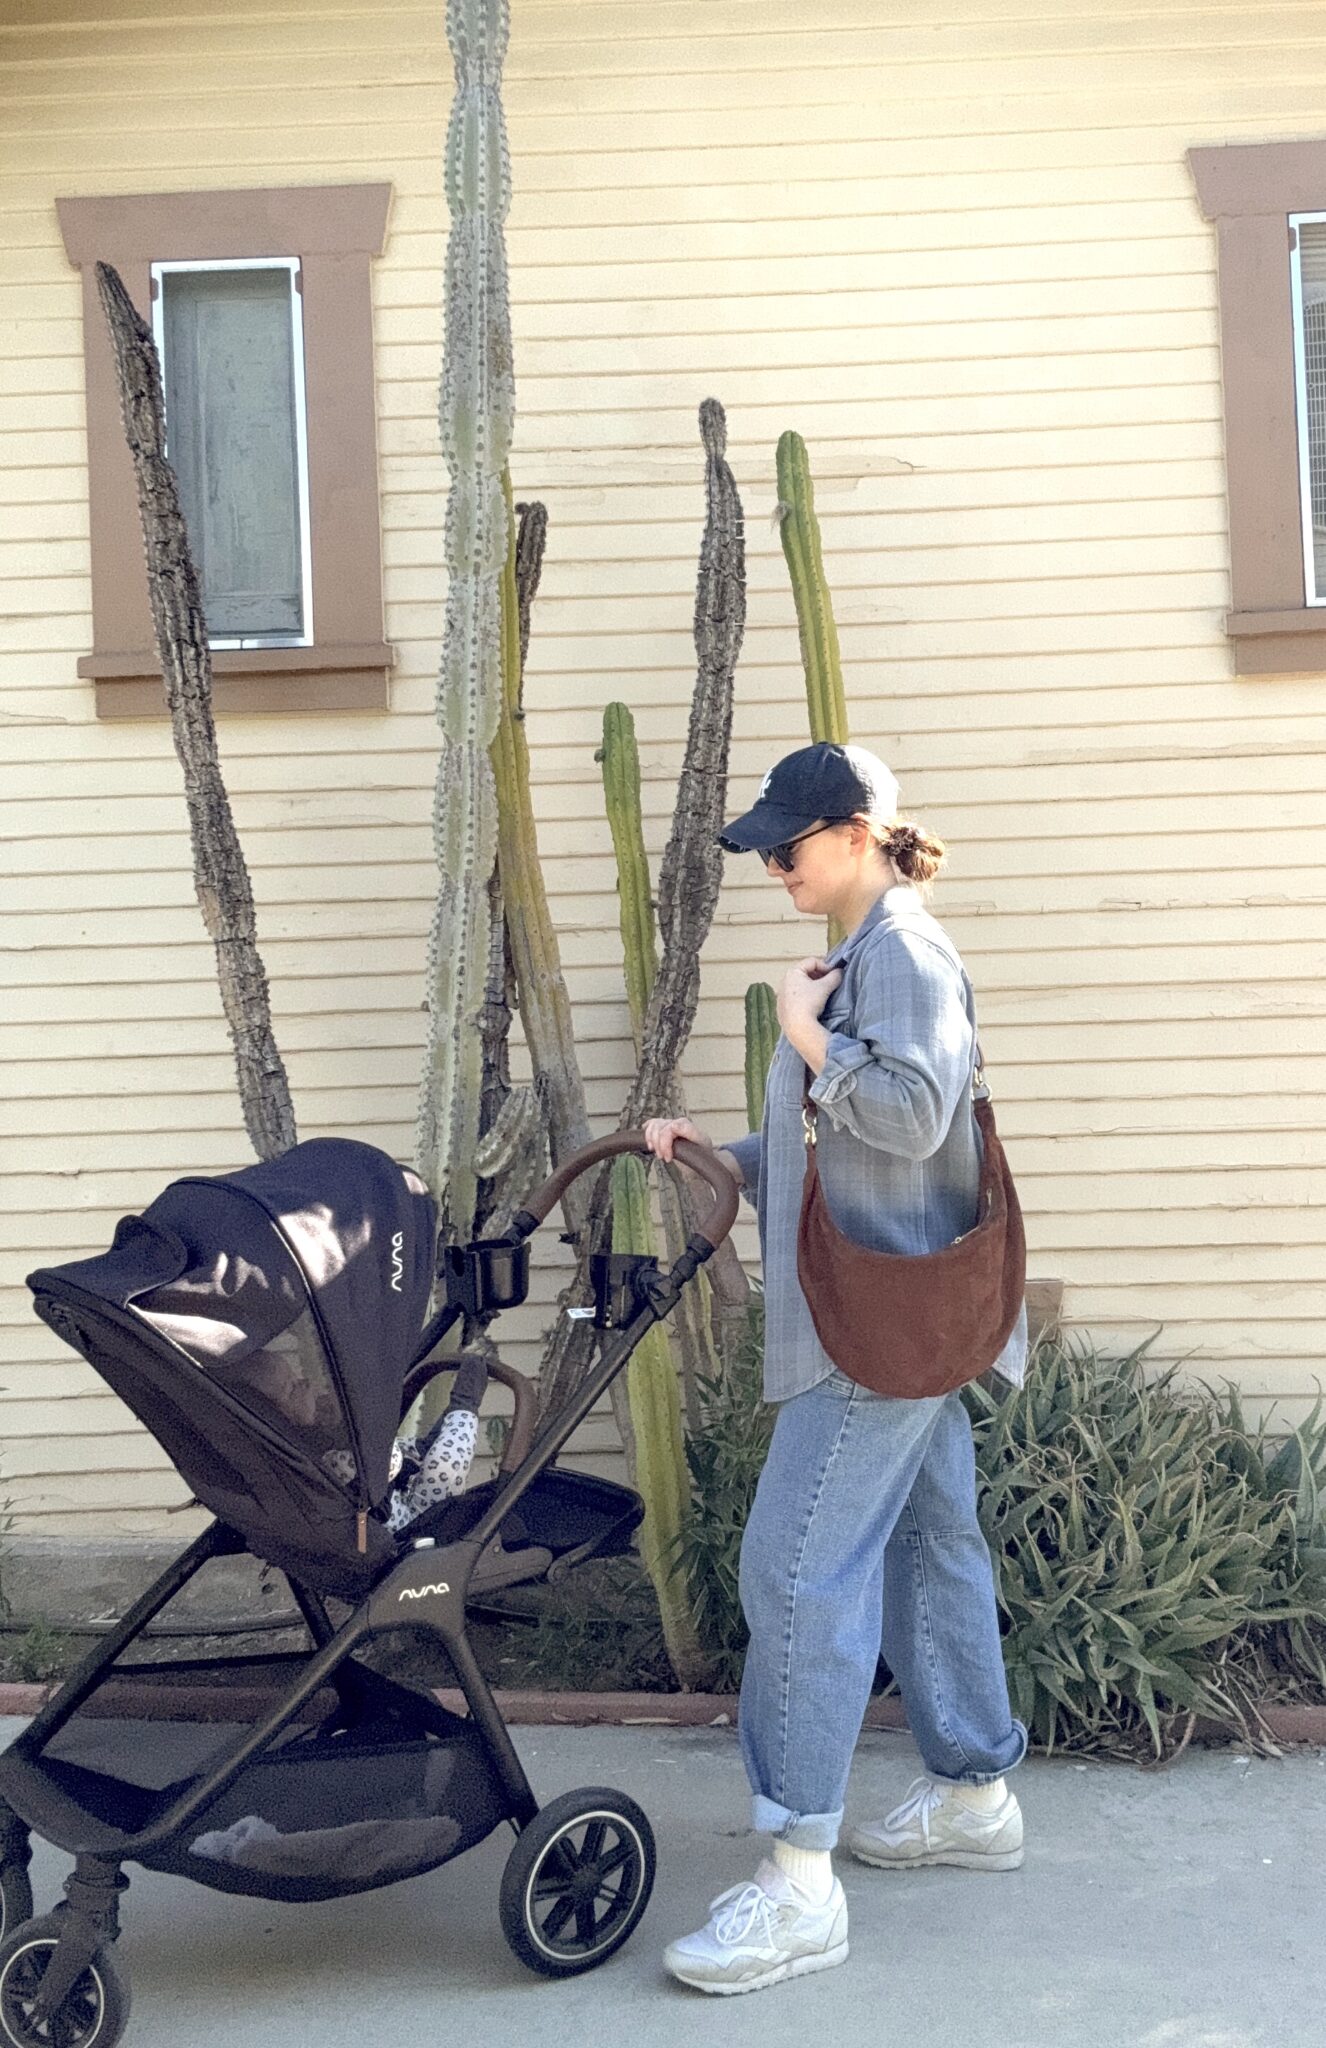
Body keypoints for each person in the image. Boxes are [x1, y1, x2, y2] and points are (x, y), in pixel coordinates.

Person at [644, 742, 1028, 1999]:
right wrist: (731, 1151)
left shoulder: (902, 956)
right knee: (931, 1542)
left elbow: (915, 1111)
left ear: (857, 832)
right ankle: (974, 1792)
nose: (772, 863)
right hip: (902, 1309)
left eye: (789, 843)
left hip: (877, 1324)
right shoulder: (862, 955)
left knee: (798, 1568)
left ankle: (799, 1881)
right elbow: (853, 1142)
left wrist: (806, 1032)